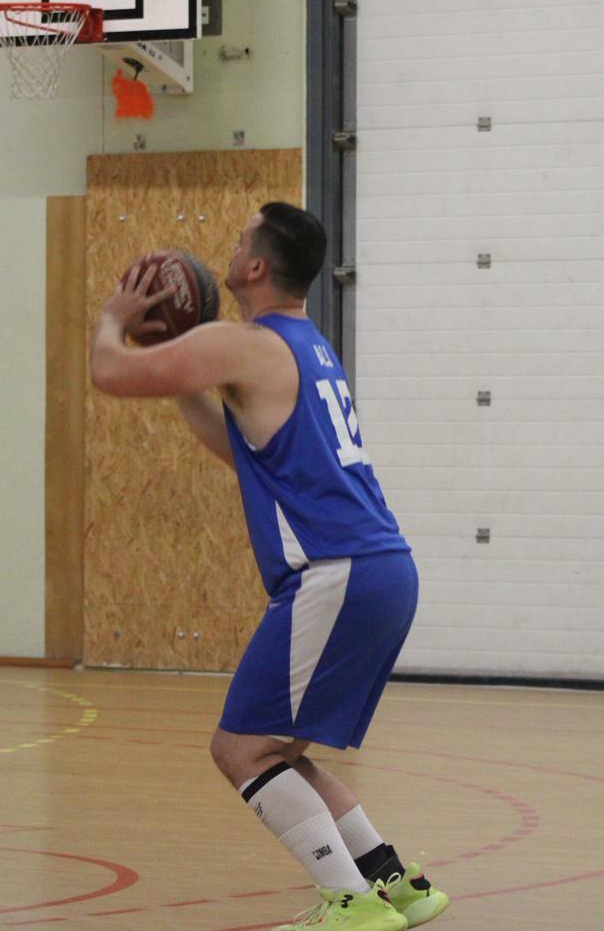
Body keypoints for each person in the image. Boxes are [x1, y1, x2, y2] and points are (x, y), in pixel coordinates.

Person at [90, 204, 450, 931]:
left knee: (239, 749)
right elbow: (246, 454)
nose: (230, 247)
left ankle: (350, 903)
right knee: (278, 750)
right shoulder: (306, 347)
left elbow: (110, 372)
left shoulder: (244, 343)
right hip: (380, 570)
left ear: (255, 266)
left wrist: (113, 319)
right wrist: (184, 376)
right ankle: (393, 882)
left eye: (239, 239)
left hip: (336, 571)